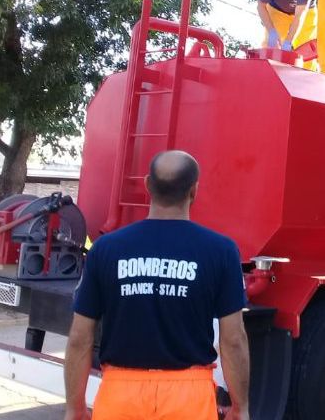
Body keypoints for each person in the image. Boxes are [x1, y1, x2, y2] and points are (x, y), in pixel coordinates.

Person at [64, 150, 250, 420]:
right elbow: (233, 340)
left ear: (148, 185)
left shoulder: (105, 250)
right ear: (194, 190)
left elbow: (80, 338)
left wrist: (75, 407)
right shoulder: (221, 251)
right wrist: (240, 406)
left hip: (120, 396)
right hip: (189, 399)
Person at [257, 0, 318, 70]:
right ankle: (267, 72)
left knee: (306, 46)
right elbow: (260, 6)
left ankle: (307, 76)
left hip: (305, 11)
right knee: (270, 46)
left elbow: (300, 15)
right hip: (278, 10)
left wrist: (289, 41)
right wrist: (271, 31)